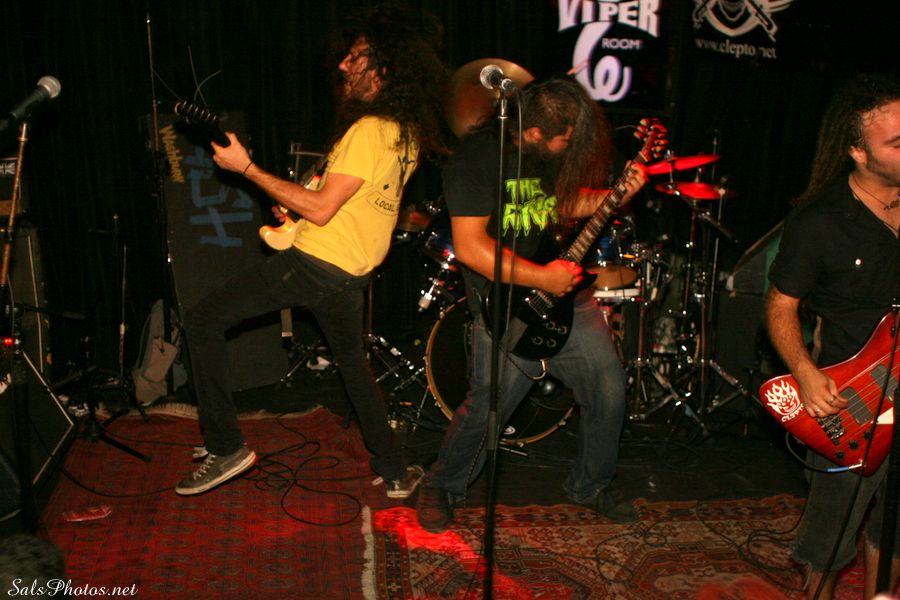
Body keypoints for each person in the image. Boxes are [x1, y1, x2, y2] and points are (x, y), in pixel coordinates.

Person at [174, 5, 448, 497]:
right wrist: (293, 209)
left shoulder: (369, 130)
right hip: (347, 274)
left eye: (356, 56)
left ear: (383, 68)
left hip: (317, 265)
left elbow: (321, 210)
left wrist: (246, 168)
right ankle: (394, 470)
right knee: (354, 368)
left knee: (201, 320)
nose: (344, 64)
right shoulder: (402, 134)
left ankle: (225, 446)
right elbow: (343, 202)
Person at [416, 77, 648, 532]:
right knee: (489, 405)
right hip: (506, 302)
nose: (570, 147)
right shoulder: (475, 160)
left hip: (565, 293)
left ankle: (590, 485)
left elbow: (561, 204)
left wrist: (616, 195)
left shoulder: (543, 157)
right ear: (536, 132)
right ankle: (442, 484)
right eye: (565, 139)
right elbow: (470, 247)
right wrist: (543, 277)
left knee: (608, 389)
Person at [765, 73, 900, 599]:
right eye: (896, 142)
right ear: (858, 153)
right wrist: (804, 372)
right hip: (852, 401)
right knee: (828, 540)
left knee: (894, 530)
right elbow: (780, 305)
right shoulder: (820, 221)